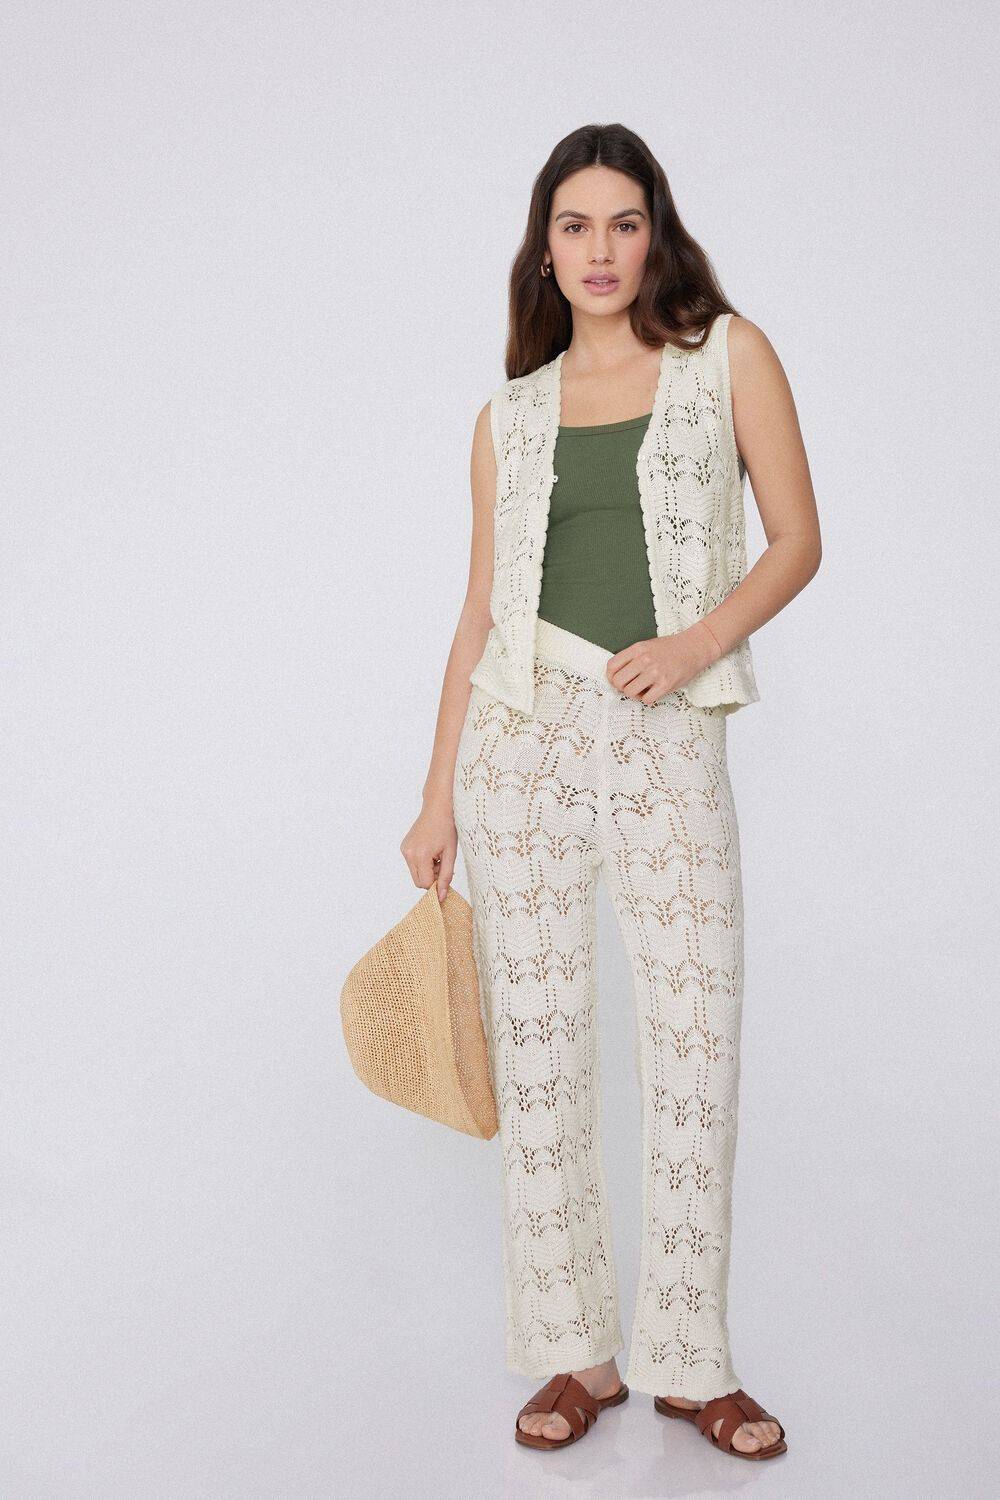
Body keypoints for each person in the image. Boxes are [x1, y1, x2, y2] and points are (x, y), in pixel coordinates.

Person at [400, 122, 820, 1461]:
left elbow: (798, 540)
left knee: (696, 1036)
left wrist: (693, 647)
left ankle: (693, 1361)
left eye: (624, 224)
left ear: (657, 235)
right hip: (518, 740)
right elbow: (479, 610)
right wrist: (436, 797)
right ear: (545, 247)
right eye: (574, 226)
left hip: (661, 731)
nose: (600, 250)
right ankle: (576, 1352)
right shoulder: (509, 417)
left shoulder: (727, 358)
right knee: (540, 1050)